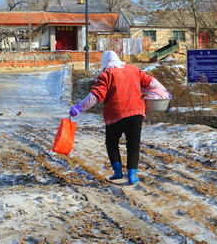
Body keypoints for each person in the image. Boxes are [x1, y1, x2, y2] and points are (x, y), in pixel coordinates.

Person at [69, 51, 170, 185]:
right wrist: (164, 92)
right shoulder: (134, 69)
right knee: (133, 145)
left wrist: (80, 107)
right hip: (136, 113)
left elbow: (95, 96)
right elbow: (151, 82)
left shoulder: (106, 74)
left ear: (104, 62)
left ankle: (118, 172)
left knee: (112, 143)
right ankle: (132, 176)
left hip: (116, 115)